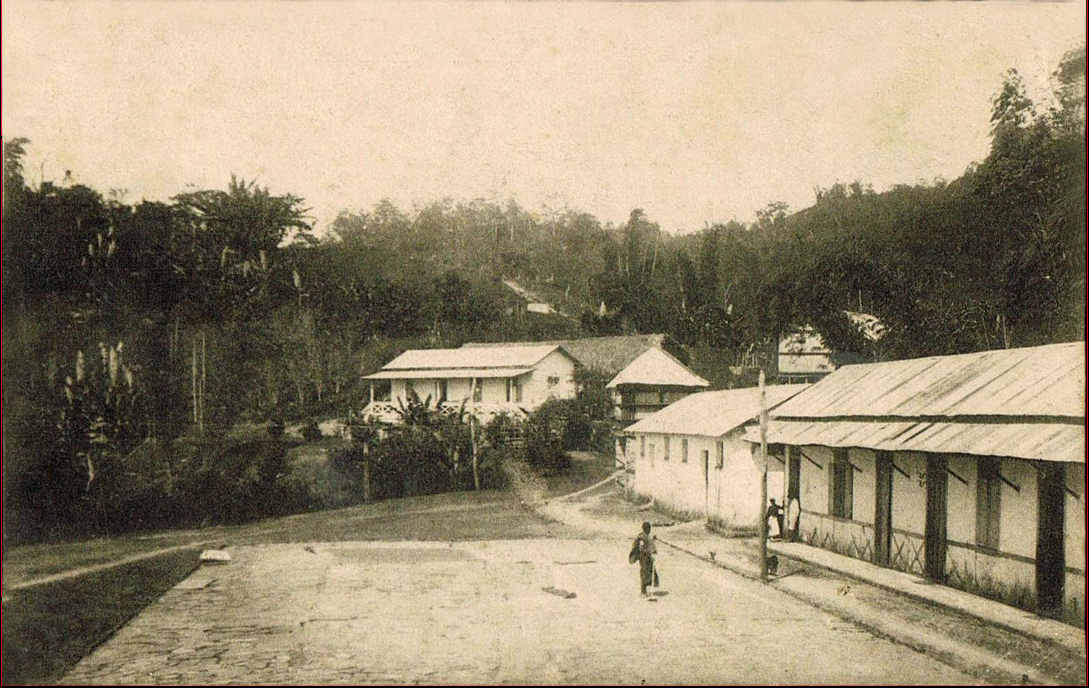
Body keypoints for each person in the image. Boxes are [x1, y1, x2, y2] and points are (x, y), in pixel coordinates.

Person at [635, 521, 657, 597]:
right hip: (643, 558)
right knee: (644, 573)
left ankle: (646, 591)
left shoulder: (647, 536)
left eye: (650, 528)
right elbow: (641, 548)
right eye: (648, 529)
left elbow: (650, 544)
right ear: (645, 529)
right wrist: (649, 552)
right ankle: (643, 592)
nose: (649, 530)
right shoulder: (641, 537)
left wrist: (653, 541)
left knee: (649, 573)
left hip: (648, 557)